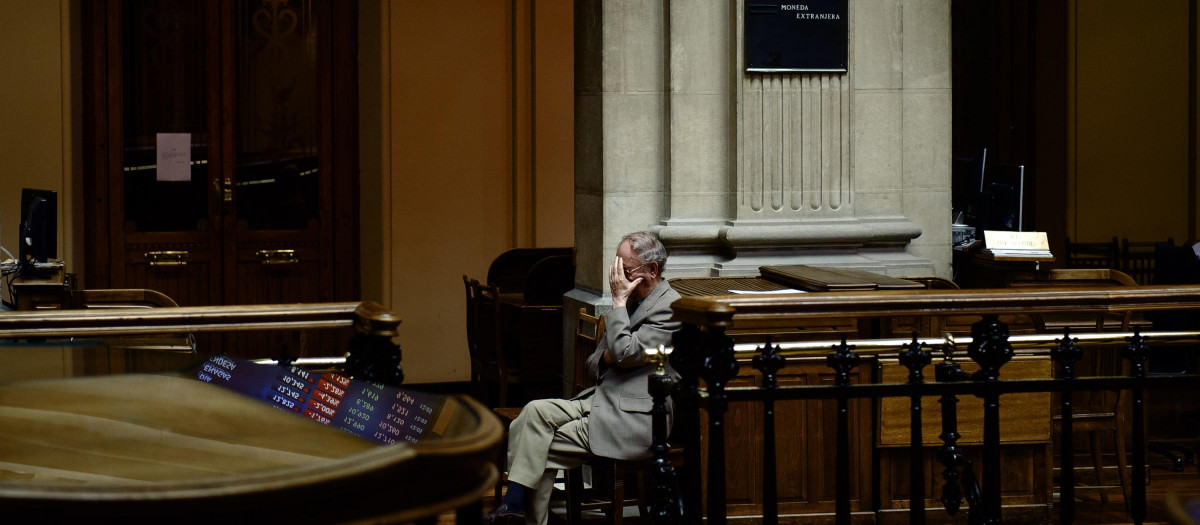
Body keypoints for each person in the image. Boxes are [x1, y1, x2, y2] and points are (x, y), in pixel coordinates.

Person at [483, 231, 682, 525]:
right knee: (534, 412)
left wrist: (616, 309)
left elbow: (625, 353)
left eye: (625, 271)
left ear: (652, 270)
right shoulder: (631, 301)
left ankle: (519, 511)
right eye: (617, 269)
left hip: (635, 417)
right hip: (601, 400)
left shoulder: (669, 308)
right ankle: (514, 507)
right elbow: (595, 361)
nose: (619, 279)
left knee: (538, 445)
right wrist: (613, 351)